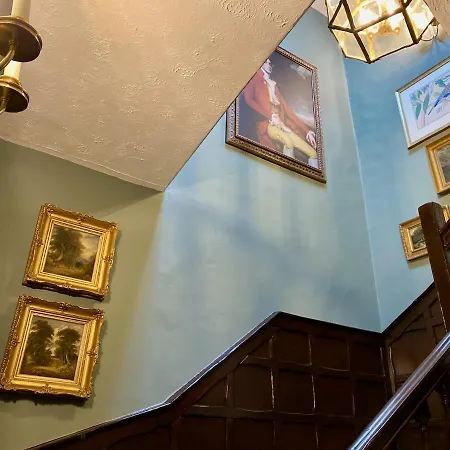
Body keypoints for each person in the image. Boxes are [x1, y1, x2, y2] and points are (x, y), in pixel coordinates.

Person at [242, 58, 318, 168]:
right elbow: (249, 100)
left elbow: (287, 110)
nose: (269, 65)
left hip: (282, 125)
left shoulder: (273, 85)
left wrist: (307, 131)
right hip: (267, 124)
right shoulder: (254, 79)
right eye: (266, 63)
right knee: (288, 142)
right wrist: (269, 116)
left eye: (270, 63)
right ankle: (289, 175)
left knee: (313, 153)